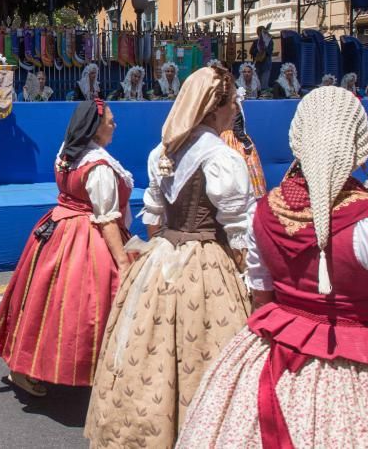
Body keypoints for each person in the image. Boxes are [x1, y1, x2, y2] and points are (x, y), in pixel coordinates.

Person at [176, 87, 368, 449]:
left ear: (298, 140)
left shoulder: (265, 211)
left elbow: (262, 300)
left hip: (276, 357)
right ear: (358, 148)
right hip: (359, 372)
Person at [85, 66, 254, 449]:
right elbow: (240, 231)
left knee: (151, 355)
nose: (235, 111)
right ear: (214, 109)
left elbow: (154, 220)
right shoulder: (223, 158)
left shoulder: (163, 152)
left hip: (164, 257)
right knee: (209, 354)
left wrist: (166, 257)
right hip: (209, 261)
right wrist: (247, 279)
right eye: (231, 104)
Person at [0, 100, 132, 396]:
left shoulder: (67, 152)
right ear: (95, 128)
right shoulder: (99, 167)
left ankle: (27, 364)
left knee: (42, 302)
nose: (114, 125)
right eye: (110, 121)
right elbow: (107, 219)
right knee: (91, 304)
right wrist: (124, 261)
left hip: (56, 228)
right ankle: (97, 368)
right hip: (84, 236)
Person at [221, 87, 268, 199]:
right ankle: (249, 192)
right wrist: (247, 142)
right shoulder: (235, 108)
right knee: (246, 163)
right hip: (234, 139)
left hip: (224, 137)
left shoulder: (225, 109)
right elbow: (237, 128)